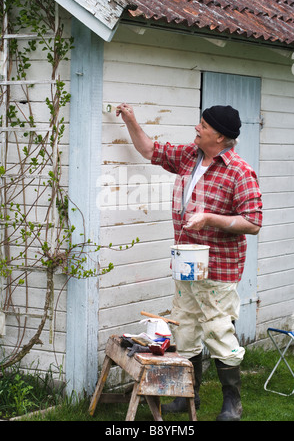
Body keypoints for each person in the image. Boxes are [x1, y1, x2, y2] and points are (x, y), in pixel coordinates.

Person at [116, 102, 263, 421]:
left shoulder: (239, 171)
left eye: (203, 125)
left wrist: (211, 219)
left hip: (220, 267)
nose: (197, 128)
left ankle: (232, 402)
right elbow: (149, 149)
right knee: (186, 330)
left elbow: (252, 222)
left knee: (219, 330)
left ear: (221, 136)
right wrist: (131, 120)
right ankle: (187, 394)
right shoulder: (188, 155)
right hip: (186, 262)